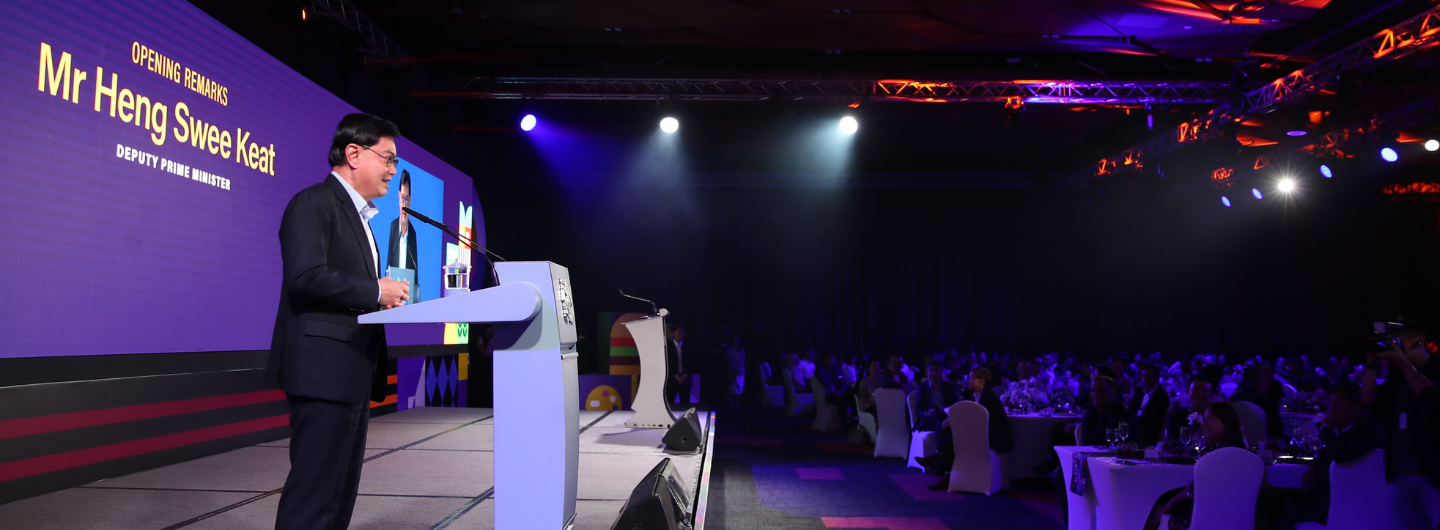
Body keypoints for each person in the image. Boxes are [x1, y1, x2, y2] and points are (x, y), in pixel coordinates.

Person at [267, 113, 410, 530]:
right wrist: (373, 291)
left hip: (350, 372)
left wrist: (375, 299)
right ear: (353, 153)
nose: (392, 170)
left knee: (339, 495)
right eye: (387, 158)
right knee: (314, 498)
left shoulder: (363, 218)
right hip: (322, 373)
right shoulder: (314, 202)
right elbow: (304, 275)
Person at [1362, 326, 1440, 530]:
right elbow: (1368, 400)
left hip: (1433, 476)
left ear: (1418, 342)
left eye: (1400, 344)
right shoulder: (1396, 376)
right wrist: (1371, 365)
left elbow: (1431, 397)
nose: (1395, 350)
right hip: (1400, 474)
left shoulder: (1436, 366)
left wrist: (1403, 363)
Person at [1145, 402, 1247, 530]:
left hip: (1202, 519)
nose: (1204, 424)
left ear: (1226, 422)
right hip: (1235, 519)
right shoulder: (1243, 453)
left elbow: (1194, 491)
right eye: (1204, 419)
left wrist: (1167, 505)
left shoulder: (1215, 455)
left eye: (1210, 420)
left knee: (1159, 504)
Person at [916, 367, 1014, 490]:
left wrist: (955, 421)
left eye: (971, 378)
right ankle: (940, 464)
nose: (968, 380)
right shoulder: (976, 396)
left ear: (982, 381)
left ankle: (941, 465)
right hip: (981, 433)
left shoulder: (989, 397)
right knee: (948, 431)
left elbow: (979, 420)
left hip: (992, 436)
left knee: (948, 439)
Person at [1296, 382, 1379, 525]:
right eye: (1331, 403)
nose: (1332, 409)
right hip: (1330, 497)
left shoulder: (1367, 430)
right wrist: (1315, 464)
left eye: (1338, 404)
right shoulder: (1343, 430)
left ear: (1356, 407)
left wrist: (1325, 427)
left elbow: (1341, 454)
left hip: (1351, 505)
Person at [385, 169, 420, 303]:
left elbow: (415, 272)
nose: (404, 204)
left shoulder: (413, 233)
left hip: (408, 296)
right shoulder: (393, 227)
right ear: (398, 196)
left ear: (410, 200)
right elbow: (389, 261)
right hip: (391, 296)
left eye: (406, 199)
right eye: (402, 198)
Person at [1231, 363, 1284, 441]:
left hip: (1239, 442)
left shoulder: (1234, 399)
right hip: (1264, 445)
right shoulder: (1266, 401)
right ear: (1259, 379)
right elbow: (1278, 430)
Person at [1129, 362, 1171, 446]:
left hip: (1148, 433)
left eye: (1148, 376)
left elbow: (1153, 419)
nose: (1144, 379)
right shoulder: (1139, 391)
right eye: (1143, 376)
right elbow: (1130, 409)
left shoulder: (1162, 396)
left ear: (1157, 377)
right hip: (1134, 427)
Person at [1166, 375, 1216, 440]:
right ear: (1187, 391)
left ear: (1212, 395)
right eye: (1195, 389)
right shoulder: (1175, 416)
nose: (1199, 394)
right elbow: (1171, 444)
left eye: (1204, 390)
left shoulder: (1216, 417)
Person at [665, 323, 690, 408]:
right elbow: (667, 364)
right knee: (670, 404)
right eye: (679, 332)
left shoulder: (688, 347)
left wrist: (685, 375)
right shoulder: (668, 347)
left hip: (685, 380)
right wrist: (676, 375)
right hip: (672, 381)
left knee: (685, 405)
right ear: (673, 333)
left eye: (683, 332)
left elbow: (691, 363)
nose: (682, 334)